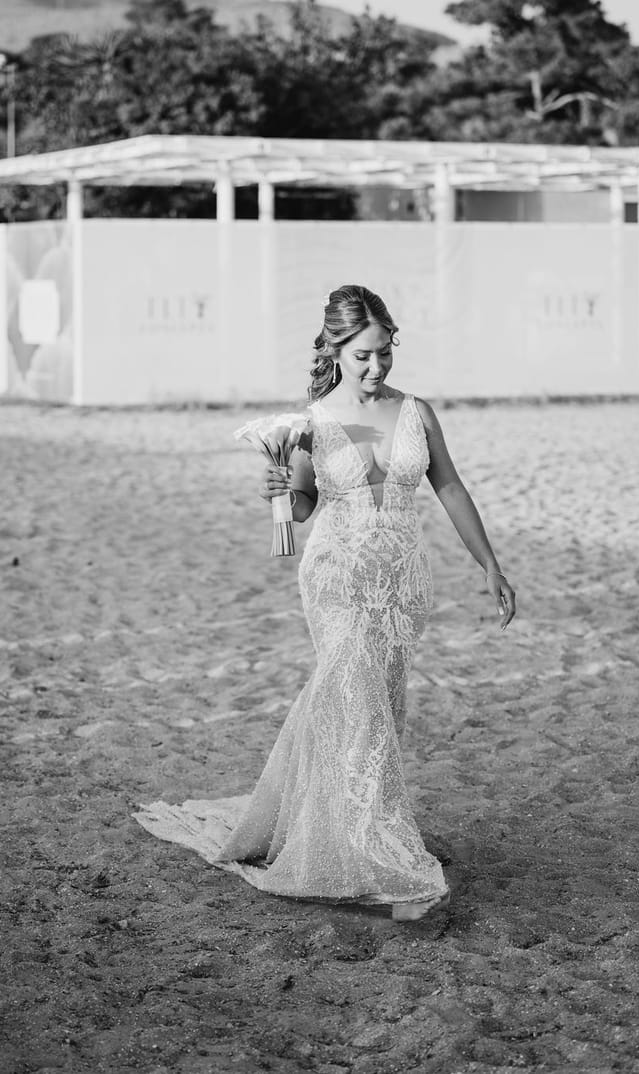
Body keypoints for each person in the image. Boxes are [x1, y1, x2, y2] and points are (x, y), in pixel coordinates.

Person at [134, 285, 515, 921]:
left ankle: (351, 822)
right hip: (336, 577)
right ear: (336, 350)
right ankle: (366, 850)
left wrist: (491, 565)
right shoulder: (312, 422)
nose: (376, 366)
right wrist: (281, 491)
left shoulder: (416, 411)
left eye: (385, 351)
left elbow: (448, 485)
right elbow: (307, 508)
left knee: (377, 705)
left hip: (400, 581)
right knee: (353, 695)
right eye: (363, 355)